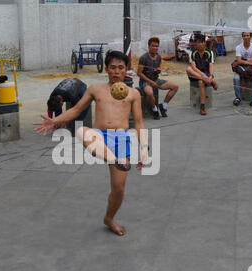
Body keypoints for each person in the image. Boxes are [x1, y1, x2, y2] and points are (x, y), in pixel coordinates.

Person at [34, 50, 148, 236]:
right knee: (81, 131)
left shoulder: (134, 94)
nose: (116, 72)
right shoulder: (96, 89)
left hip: (121, 139)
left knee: (118, 190)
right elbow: (77, 109)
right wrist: (55, 120)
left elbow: (139, 123)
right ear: (106, 69)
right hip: (99, 137)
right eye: (112, 68)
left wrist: (144, 148)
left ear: (127, 69)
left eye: (121, 68)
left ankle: (109, 218)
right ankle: (112, 157)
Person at [137, 37, 179, 120]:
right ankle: (155, 109)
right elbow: (139, 73)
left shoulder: (158, 57)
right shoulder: (143, 58)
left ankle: (163, 106)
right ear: (149, 47)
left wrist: (158, 71)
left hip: (156, 80)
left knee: (175, 86)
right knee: (149, 93)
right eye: (153, 46)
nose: (155, 48)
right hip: (145, 81)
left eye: (157, 46)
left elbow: (158, 69)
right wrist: (151, 82)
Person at [186, 34, 218, 116]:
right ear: (196, 44)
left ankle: (202, 106)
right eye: (198, 42)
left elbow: (211, 65)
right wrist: (204, 76)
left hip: (206, 74)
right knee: (188, 69)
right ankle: (211, 82)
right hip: (196, 74)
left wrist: (211, 75)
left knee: (201, 82)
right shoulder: (192, 53)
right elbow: (194, 67)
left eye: (202, 42)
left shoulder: (209, 52)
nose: (201, 44)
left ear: (205, 43)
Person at [232, 32, 252, 109]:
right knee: (236, 78)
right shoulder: (238, 47)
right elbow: (239, 61)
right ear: (242, 37)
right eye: (244, 36)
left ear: (250, 37)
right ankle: (238, 98)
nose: (246, 37)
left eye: (247, 35)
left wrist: (243, 61)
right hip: (241, 68)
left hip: (251, 69)